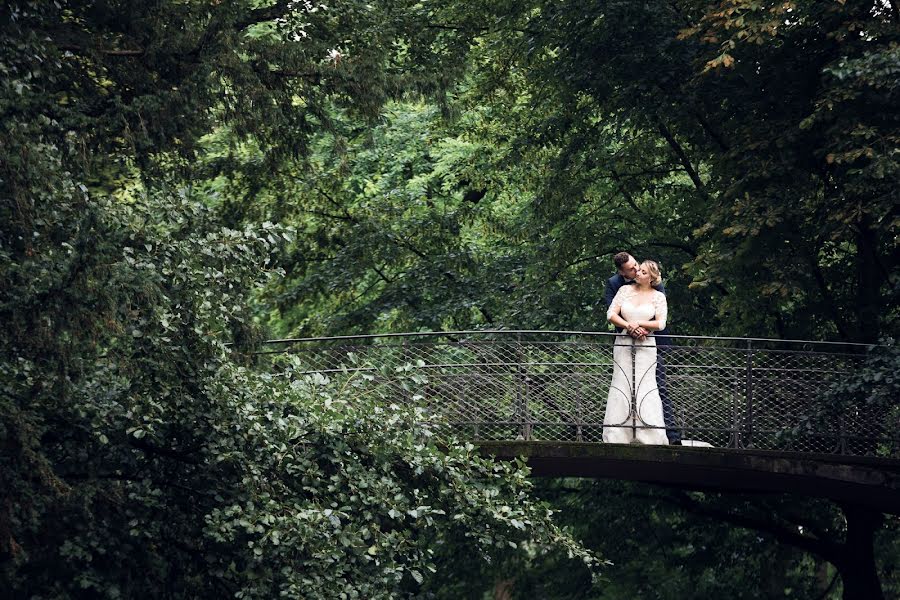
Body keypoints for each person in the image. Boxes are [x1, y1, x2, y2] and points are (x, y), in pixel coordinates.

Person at [604, 252, 682, 444]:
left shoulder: (656, 289)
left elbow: (659, 318)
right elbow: (611, 312)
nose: (637, 270)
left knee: (656, 387)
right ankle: (622, 433)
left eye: (638, 266)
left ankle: (668, 435)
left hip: (650, 343)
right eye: (632, 269)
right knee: (622, 384)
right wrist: (629, 327)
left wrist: (642, 326)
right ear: (622, 272)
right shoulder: (617, 286)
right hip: (625, 341)